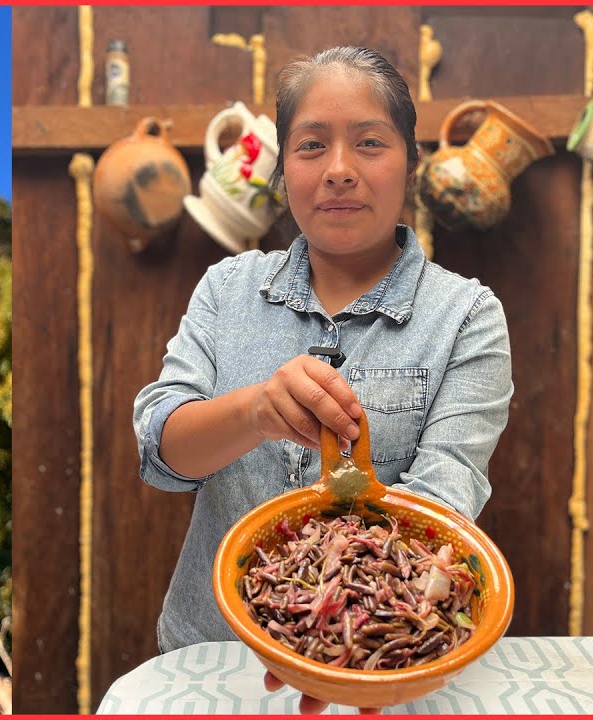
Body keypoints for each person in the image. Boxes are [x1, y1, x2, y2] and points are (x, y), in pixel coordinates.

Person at [132, 46, 513, 712]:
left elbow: (444, 497)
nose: (339, 171)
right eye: (311, 146)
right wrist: (253, 411)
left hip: (377, 662)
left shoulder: (466, 316)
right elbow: (159, 452)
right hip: (209, 654)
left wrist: (330, 634)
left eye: (369, 142)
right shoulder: (228, 290)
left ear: (410, 164)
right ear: (284, 171)